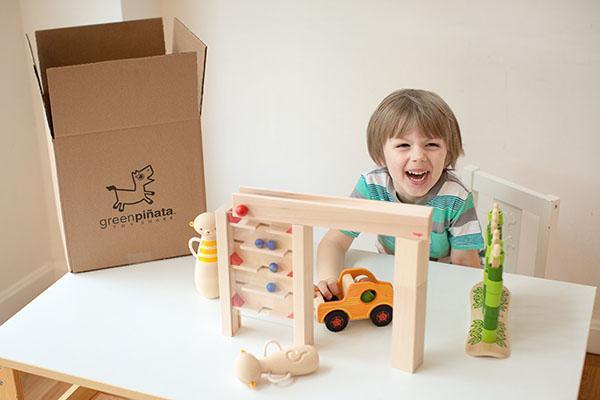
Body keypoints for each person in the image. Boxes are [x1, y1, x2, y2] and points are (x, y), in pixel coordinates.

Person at [316, 89, 484, 300]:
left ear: (448, 152)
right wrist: (329, 280)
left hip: (444, 283)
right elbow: (333, 242)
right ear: (380, 154)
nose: (418, 156)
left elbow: (465, 268)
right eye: (404, 145)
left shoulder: (456, 198)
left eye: (431, 145)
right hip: (396, 278)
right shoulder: (372, 187)